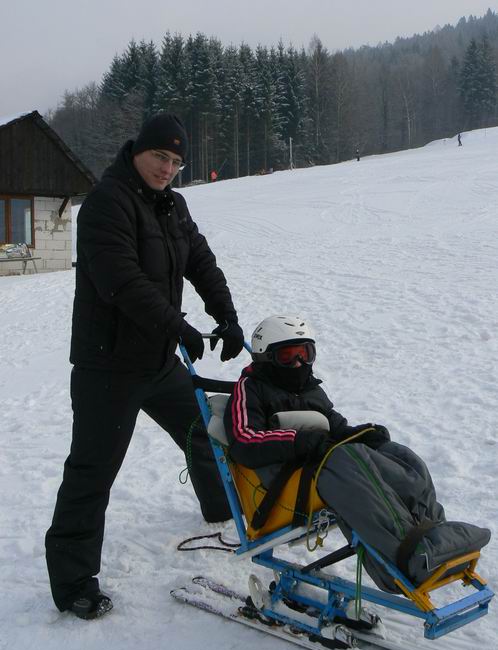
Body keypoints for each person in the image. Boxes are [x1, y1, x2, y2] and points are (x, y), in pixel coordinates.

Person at [45, 112, 244, 620]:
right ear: (138, 151)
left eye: (177, 161)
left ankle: (221, 509)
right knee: (92, 470)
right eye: (161, 156)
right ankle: (73, 584)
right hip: (107, 367)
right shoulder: (105, 204)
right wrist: (176, 325)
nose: (168, 168)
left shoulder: (173, 206)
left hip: (156, 361)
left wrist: (227, 315)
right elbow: (120, 280)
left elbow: (200, 260)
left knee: (204, 429)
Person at [223, 315, 490, 593]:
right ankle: (405, 556)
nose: (298, 364)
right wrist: (303, 441)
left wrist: (362, 434)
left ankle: (434, 535)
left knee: (399, 455)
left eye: (304, 353)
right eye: (287, 356)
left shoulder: (311, 389)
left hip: (319, 464)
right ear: (266, 358)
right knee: (348, 461)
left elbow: (334, 426)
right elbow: (245, 440)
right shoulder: (249, 390)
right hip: (281, 482)